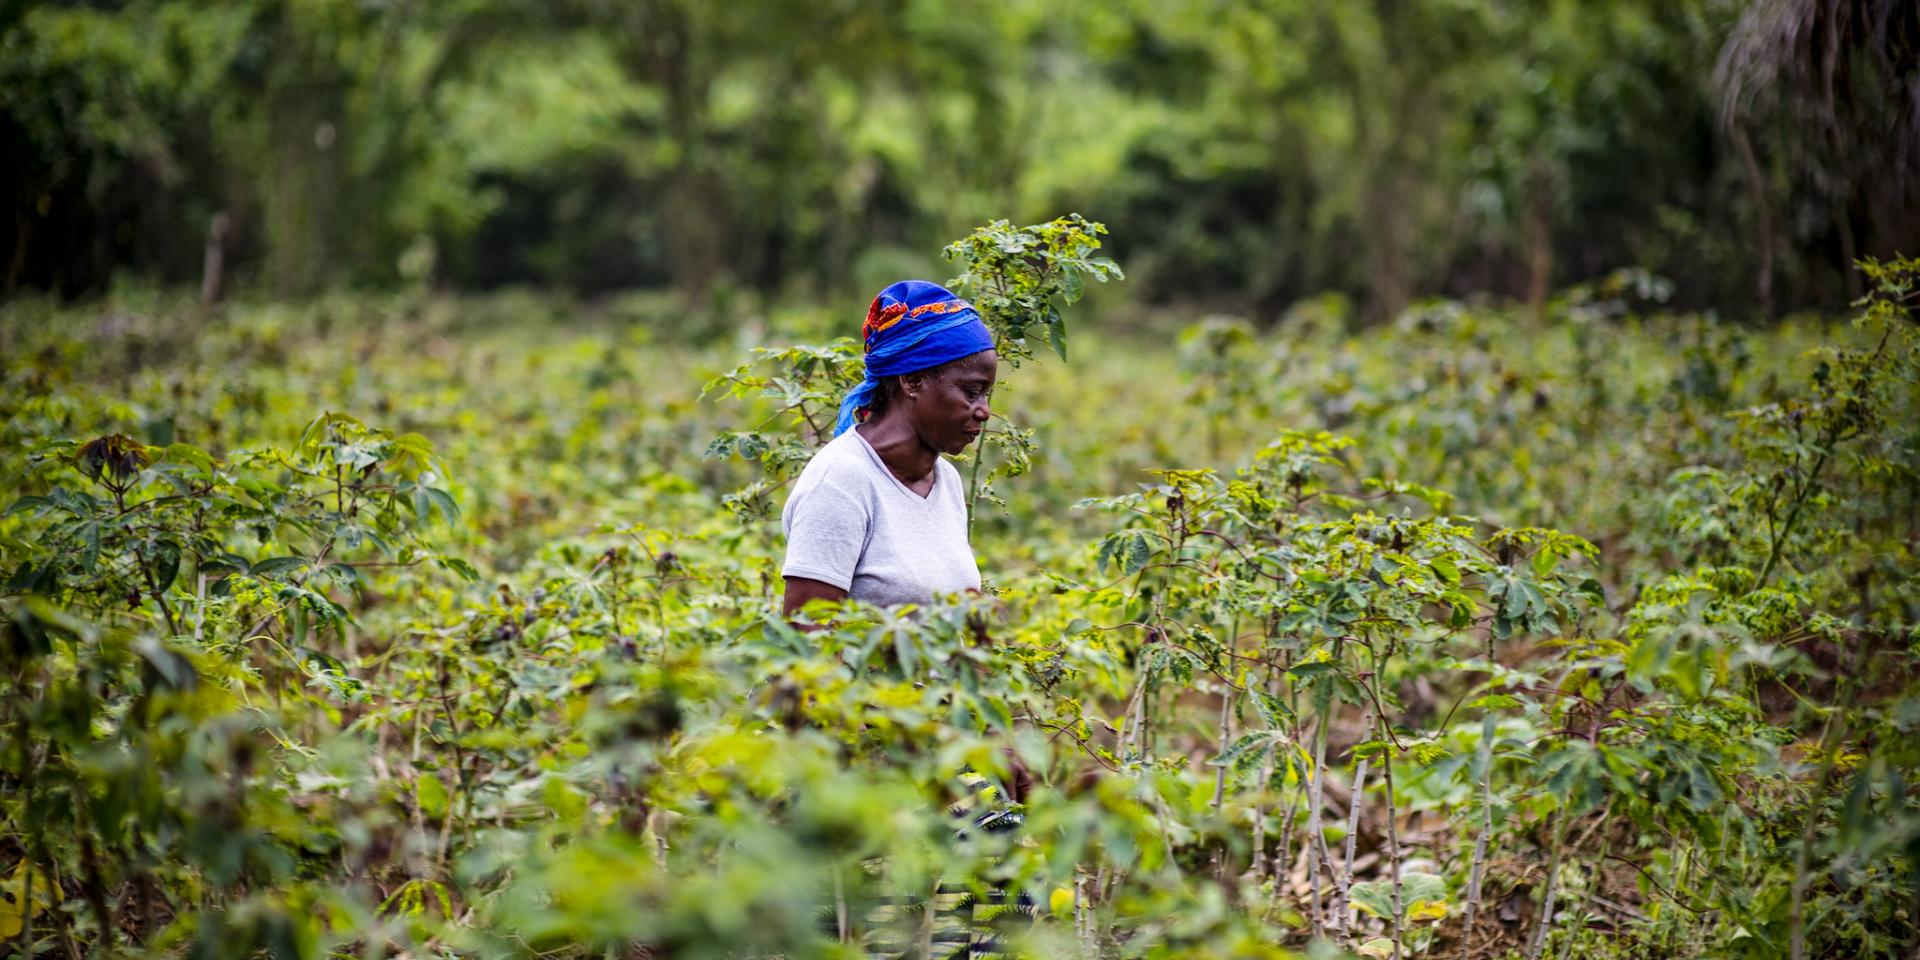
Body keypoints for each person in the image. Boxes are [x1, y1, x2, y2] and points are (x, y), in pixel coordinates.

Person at [780, 280, 998, 617]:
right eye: (971, 392)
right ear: (911, 381)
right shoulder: (840, 481)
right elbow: (808, 643)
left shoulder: (946, 481)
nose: (984, 411)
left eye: (986, 395)